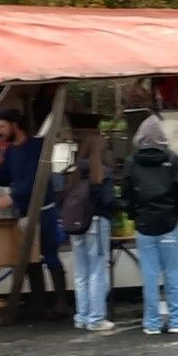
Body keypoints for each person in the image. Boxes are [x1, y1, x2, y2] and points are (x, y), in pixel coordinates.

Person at [0, 108, 68, 318]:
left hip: (45, 211)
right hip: (25, 212)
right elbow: (3, 178)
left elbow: (35, 180)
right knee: (30, 258)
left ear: (16, 125)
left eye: (3, 126)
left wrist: (12, 197)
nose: (1, 131)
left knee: (50, 256)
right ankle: (38, 304)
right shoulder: (11, 151)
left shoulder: (37, 147)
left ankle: (61, 303)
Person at [122, 114, 178, 335]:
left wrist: (135, 215)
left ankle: (151, 323)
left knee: (150, 277)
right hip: (169, 224)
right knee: (174, 274)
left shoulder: (132, 162)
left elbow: (126, 194)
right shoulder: (172, 159)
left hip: (144, 225)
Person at [65, 134, 117, 332]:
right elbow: (108, 201)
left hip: (76, 225)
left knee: (81, 272)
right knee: (97, 270)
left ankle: (82, 315)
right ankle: (96, 318)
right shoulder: (102, 172)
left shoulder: (75, 173)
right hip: (96, 223)